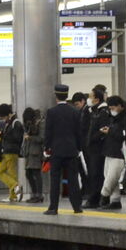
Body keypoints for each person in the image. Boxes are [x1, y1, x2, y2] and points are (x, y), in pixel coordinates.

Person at [43, 84, 84, 215]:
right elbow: (79, 132)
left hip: (56, 151)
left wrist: (46, 148)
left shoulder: (51, 112)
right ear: (67, 96)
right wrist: (79, 148)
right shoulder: (75, 112)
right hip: (72, 151)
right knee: (73, 179)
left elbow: (48, 132)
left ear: (56, 96)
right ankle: (77, 207)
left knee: (55, 180)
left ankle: (53, 207)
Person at [97, 96, 126, 210]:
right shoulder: (112, 118)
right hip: (109, 151)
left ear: (120, 106)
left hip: (119, 153)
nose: (112, 110)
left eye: (113, 107)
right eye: (110, 108)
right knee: (109, 177)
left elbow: (123, 135)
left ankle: (103, 197)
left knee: (111, 178)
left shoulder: (125, 118)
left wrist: (110, 131)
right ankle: (115, 200)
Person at [82, 85, 109, 208]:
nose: (89, 99)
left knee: (96, 174)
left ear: (97, 99)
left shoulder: (103, 112)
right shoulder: (93, 111)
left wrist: (92, 139)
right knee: (93, 173)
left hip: (98, 149)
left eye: (90, 97)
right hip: (92, 148)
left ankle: (95, 199)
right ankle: (95, 198)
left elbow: (102, 130)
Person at [0, 104, 25, 201]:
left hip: (12, 152)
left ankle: (13, 195)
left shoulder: (16, 123)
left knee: (12, 174)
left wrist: (2, 134)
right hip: (7, 151)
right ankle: (14, 190)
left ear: (8, 114)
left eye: (3, 117)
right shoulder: (10, 122)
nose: (3, 119)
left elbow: (17, 138)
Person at [21, 108, 45, 202]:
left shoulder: (40, 123)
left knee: (36, 173)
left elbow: (42, 138)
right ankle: (34, 194)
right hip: (29, 152)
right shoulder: (30, 124)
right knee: (28, 173)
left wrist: (30, 138)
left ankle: (39, 195)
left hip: (36, 152)